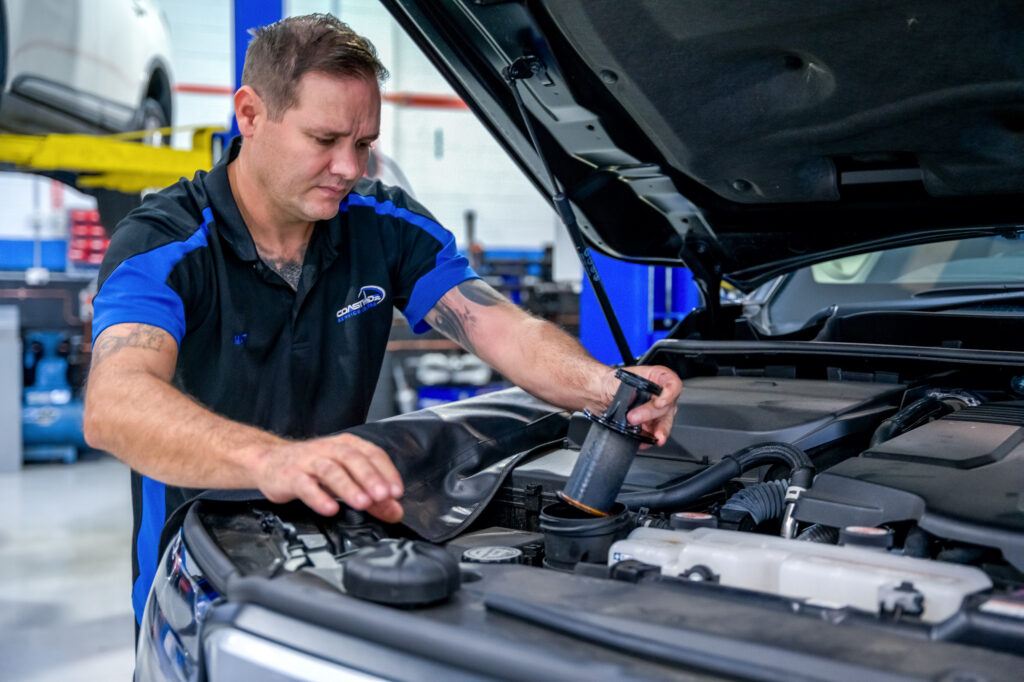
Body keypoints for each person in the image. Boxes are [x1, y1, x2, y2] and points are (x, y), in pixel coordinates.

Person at [83, 14, 682, 626]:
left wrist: (604, 385)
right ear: (251, 115)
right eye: (325, 140)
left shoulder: (381, 222)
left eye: (364, 143)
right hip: (196, 585)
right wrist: (274, 462)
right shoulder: (165, 244)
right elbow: (116, 404)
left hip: (336, 558)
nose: (351, 168)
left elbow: (495, 324)